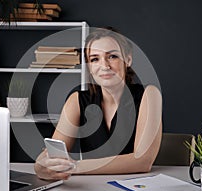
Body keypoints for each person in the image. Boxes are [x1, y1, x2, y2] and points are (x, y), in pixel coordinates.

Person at [34, 27, 163, 180]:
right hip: (93, 190)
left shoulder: (149, 94)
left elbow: (143, 161)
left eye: (112, 56)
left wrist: (75, 166)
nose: (104, 66)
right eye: (95, 59)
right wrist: (41, 166)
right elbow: (52, 153)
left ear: (128, 60)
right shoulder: (76, 100)